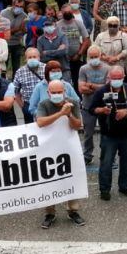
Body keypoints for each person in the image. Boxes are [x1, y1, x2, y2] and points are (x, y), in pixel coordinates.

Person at [35, 79, 86, 228]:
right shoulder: (44, 104)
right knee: (49, 179)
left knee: (71, 177)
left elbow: (77, 126)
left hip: (68, 147)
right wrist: (60, 114)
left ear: (64, 91)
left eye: (59, 92)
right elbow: (40, 122)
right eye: (54, 92)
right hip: (49, 148)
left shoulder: (72, 103)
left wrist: (69, 115)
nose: (57, 95)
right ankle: (50, 212)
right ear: (48, 93)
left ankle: (73, 210)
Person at [88, 66, 127, 201]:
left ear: (123, 77)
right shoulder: (101, 91)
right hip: (108, 135)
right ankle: (104, 189)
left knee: (126, 162)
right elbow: (91, 109)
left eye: (119, 78)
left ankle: (125, 186)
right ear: (109, 78)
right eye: (114, 78)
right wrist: (101, 110)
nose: (116, 80)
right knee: (106, 163)